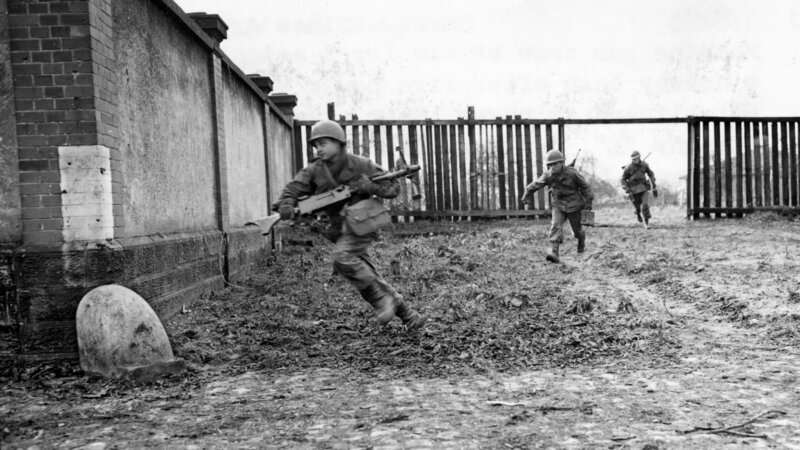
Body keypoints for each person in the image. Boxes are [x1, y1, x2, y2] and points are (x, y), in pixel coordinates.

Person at [273, 120, 427, 330]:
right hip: (337, 230)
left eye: (324, 143)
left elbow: (392, 189)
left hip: (361, 225)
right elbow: (293, 188)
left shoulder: (361, 165)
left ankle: (383, 301)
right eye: (316, 145)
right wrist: (287, 203)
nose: (319, 149)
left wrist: (370, 186)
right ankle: (409, 316)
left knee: (343, 258)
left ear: (339, 143)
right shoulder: (314, 170)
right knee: (363, 274)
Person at [521, 149, 594, 263]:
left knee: (577, 230)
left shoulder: (572, 173)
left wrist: (589, 201)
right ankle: (554, 253)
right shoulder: (548, 175)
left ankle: (581, 242)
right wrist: (526, 193)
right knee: (555, 226)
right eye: (550, 164)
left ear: (561, 163)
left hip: (574, 205)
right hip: (558, 204)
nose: (553, 167)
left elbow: (585, 186)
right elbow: (536, 184)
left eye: (555, 164)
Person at [621, 150, 656, 229]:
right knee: (637, 208)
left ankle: (646, 223)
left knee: (645, 205)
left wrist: (653, 183)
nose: (635, 160)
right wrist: (627, 189)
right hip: (633, 190)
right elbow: (622, 179)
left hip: (643, 188)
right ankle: (638, 214)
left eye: (636, 158)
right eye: (633, 159)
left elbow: (651, 174)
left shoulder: (644, 165)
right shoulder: (628, 167)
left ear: (639, 157)